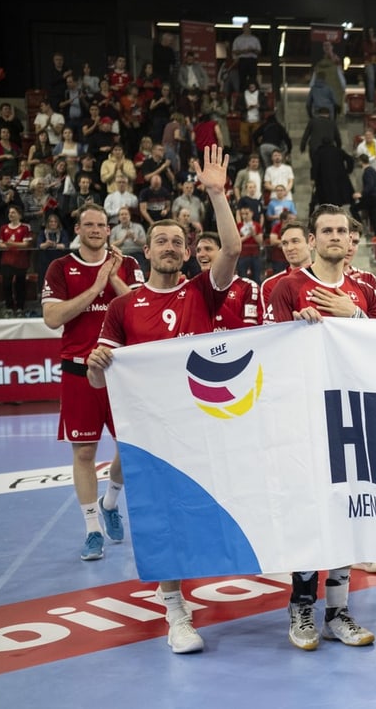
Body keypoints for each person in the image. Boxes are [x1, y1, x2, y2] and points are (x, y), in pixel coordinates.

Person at [86, 145, 240, 655]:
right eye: (162, 241)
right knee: (165, 515)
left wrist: (216, 193)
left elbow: (234, 251)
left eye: (178, 240)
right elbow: (96, 382)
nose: (170, 246)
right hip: (152, 433)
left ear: (188, 249)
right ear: (145, 252)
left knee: (204, 510)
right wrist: (95, 366)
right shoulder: (125, 307)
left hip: (202, 421)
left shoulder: (202, 291)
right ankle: (176, 608)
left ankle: (179, 587)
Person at [267, 205, 376, 650]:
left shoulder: (362, 289)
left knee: (347, 510)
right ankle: (301, 608)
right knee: (308, 512)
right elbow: (266, 353)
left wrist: (354, 315)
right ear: (311, 240)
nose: (336, 237)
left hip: (353, 418)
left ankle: (338, 611)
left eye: (342, 230)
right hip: (304, 418)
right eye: (326, 231)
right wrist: (292, 333)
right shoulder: (289, 287)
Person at [41, 204, 144, 560]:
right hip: (78, 371)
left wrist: (112, 278)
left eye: (102, 224)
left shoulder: (127, 265)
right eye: (90, 224)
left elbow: (139, 308)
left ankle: (110, 502)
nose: (97, 229)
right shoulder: (60, 267)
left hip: (122, 371)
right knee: (84, 452)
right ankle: (92, 530)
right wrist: (95, 286)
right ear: (79, 227)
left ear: (109, 228)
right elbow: (53, 318)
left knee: (131, 449)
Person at [195, 231, 259, 330]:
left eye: (208, 249)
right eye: (198, 250)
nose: (201, 254)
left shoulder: (247, 287)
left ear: (223, 253)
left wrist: (213, 300)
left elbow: (250, 332)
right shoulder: (193, 288)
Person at [0, 205, 33, 316]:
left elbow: (26, 244)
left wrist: (11, 244)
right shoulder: (3, 228)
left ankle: (20, 308)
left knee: (20, 285)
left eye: (13, 212)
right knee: (6, 284)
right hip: (6, 261)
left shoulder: (25, 228)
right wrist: (16, 245)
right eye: (9, 213)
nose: (10, 215)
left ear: (19, 215)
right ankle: (9, 307)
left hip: (21, 262)